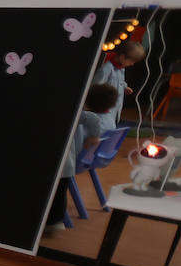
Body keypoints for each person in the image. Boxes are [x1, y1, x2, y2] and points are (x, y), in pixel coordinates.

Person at [45, 83, 118, 232]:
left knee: (58, 187)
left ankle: (52, 220)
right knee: (61, 188)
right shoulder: (110, 119)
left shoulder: (80, 118)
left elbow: (80, 140)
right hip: (90, 161)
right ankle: (55, 220)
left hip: (74, 162)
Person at [93, 40, 144, 128]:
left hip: (115, 109)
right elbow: (96, 86)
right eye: (132, 61)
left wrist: (124, 87)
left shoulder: (121, 69)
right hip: (103, 110)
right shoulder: (106, 69)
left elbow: (120, 81)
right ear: (123, 57)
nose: (132, 64)